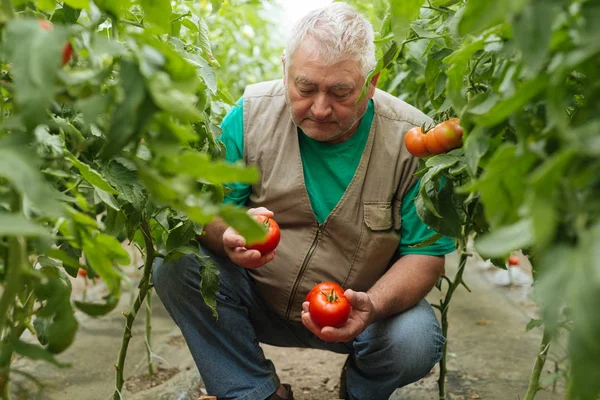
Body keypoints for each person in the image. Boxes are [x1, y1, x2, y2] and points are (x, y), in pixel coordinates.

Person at [153, 3, 454, 399]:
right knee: (176, 264)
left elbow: (425, 256)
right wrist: (227, 233)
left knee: (415, 339)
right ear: (284, 70)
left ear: (372, 82)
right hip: (258, 298)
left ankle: (360, 391)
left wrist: (372, 305)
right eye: (305, 87)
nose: (320, 108)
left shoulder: (415, 143)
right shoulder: (249, 118)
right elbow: (206, 212)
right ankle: (254, 391)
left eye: (341, 91)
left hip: (357, 314)